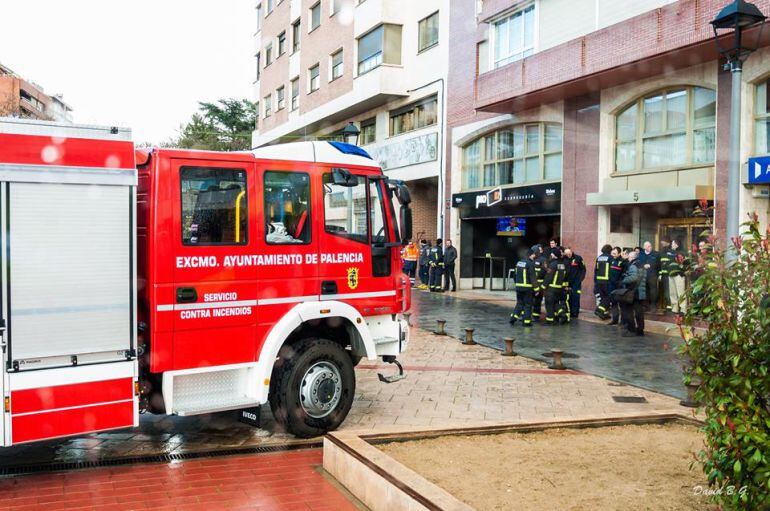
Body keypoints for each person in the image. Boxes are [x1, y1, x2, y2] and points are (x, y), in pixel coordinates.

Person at [619, 249, 646, 337]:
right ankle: (640, 330)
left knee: (628, 311)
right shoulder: (642, 265)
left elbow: (633, 278)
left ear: (633, 258)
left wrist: (623, 280)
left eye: (629, 257)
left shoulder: (633, 266)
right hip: (641, 292)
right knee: (639, 312)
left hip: (634, 292)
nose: (628, 259)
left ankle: (631, 329)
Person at [510, 249, 538, 327]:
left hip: (519, 288)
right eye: (533, 255)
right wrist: (536, 289)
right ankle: (526, 322)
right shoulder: (530, 264)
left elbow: (514, 275)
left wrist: (517, 284)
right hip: (527, 288)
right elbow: (533, 277)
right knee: (528, 305)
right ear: (530, 255)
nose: (534, 256)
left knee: (519, 303)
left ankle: (513, 318)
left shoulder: (519, 263)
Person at [543, 247, 568, 326]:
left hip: (551, 288)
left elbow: (548, 277)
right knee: (556, 303)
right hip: (559, 288)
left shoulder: (553, 264)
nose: (551, 254)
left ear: (554, 255)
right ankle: (563, 314)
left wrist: (543, 286)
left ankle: (550, 321)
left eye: (552, 253)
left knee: (549, 304)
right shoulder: (562, 265)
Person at [563, 247, 586, 319]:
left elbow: (583, 269)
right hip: (567, 282)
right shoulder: (564, 259)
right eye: (566, 254)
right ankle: (569, 311)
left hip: (576, 282)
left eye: (569, 253)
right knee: (568, 297)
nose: (568, 255)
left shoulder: (578, 258)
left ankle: (575, 313)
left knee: (576, 296)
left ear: (572, 251)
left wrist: (580, 279)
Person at [666, 239, 688, 315]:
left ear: (676, 245)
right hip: (671, 275)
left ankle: (683, 310)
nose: (671, 245)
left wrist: (682, 269)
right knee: (672, 293)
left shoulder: (682, 253)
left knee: (681, 293)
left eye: (672, 243)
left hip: (679, 275)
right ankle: (674, 309)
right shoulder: (669, 252)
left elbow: (686, 263)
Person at [638, 241, 660, 313]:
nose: (650, 247)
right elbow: (638, 264)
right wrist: (643, 266)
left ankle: (653, 305)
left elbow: (659, 265)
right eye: (648, 246)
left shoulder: (656, 254)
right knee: (644, 290)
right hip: (643, 275)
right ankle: (645, 306)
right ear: (644, 247)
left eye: (650, 246)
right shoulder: (640, 254)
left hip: (652, 275)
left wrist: (659, 274)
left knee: (653, 291)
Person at [594, 244, 613, 320]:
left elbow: (596, 270)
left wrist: (595, 281)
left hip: (599, 281)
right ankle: (599, 310)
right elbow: (612, 270)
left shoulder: (599, 258)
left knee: (602, 297)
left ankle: (604, 314)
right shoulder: (610, 258)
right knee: (608, 297)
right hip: (607, 281)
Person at [607, 247, 625, 326]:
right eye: (612, 253)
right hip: (611, 286)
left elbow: (624, 275)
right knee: (613, 303)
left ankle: (623, 321)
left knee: (621, 304)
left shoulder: (622, 262)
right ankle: (614, 319)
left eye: (614, 254)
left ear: (619, 253)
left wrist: (620, 284)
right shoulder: (611, 260)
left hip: (619, 286)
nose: (613, 255)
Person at [531, 245, 547, 321]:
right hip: (531, 283)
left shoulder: (543, 260)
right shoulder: (530, 259)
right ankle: (527, 315)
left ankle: (536, 316)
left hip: (539, 283)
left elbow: (545, 271)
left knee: (537, 300)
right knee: (529, 300)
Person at [658, 239, 672, 312]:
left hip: (668, 275)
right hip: (664, 275)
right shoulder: (662, 253)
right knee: (665, 291)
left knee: (668, 291)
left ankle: (669, 306)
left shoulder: (670, 252)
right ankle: (667, 305)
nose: (662, 245)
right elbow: (660, 264)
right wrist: (660, 274)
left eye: (663, 243)